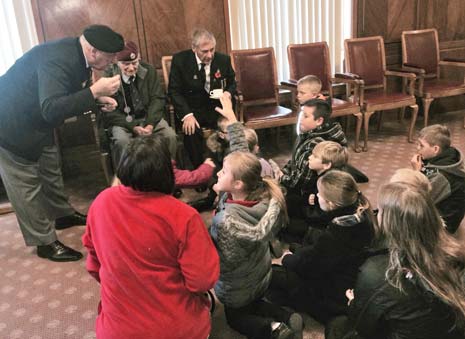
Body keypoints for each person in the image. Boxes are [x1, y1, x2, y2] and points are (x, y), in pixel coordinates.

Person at [0, 24, 124, 262]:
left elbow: (66, 96)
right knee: (26, 186)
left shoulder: (79, 55)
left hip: (37, 122)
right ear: (94, 51)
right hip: (10, 124)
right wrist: (94, 92)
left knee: (50, 168)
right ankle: (44, 242)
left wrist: (97, 99)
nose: (112, 62)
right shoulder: (58, 60)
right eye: (109, 57)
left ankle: (62, 215)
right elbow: (51, 108)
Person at [82, 134, 220, 339]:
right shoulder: (184, 216)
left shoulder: (101, 202)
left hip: (117, 331)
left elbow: (94, 266)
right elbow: (202, 281)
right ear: (167, 172)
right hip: (176, 329)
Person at [344, 182, 465, 339]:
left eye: (379, 211)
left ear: (389, 222)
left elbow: (364, 328)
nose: (375, 214)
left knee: (336, 326)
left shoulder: (377, 272)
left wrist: (354, 304)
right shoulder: (456, 252)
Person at [270, 170, 374, 324]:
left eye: (320, 194)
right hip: (348, 272)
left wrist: (288, 259)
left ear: (331, 203)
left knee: (276, 274)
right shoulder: (360, 213)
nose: (317, 196)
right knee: (299, 248)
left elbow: (311, 267)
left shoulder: (336, 234)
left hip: (335, 290)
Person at [169, 28, 236, 168]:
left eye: (212, 50)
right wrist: (187, 115)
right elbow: (174, 91)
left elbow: (232, 83)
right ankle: (199, 170)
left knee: (227, 130)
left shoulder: (223, 60)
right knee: (191, 130)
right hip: (192, 109)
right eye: (205, 51)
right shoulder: (180, 60)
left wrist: (228, 93)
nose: (210, 55)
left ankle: (226, 168)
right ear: (194, 48)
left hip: (216, 108)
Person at [102, 41, 177, 164]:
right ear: (117, 62)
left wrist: (150, 124)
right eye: (126, 64)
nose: (131, 68)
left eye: (134, 63)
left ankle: (168, 172)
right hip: (123, 122)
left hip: (148, 118)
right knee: (121, 142)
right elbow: (110, 112)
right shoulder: (109, 76)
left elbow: (157, 99)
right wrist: (132, 127)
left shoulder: (149, 70)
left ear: (139, 58)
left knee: (170, 136)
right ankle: (127, 179)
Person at [410, 124, 465, 233]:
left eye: (421, 146)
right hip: (436, 211)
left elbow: (416, 202)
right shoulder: (447, 156)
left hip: (441, 227)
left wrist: (417, 173)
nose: (418, 149)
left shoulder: (441, 176)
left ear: (435, 149)